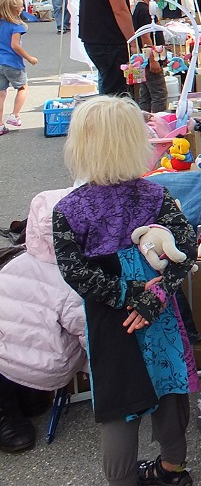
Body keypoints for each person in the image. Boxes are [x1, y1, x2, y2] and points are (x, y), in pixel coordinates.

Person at [53, 96, 197, 486]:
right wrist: (155, 296)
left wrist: (124, 295)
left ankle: (123, 480)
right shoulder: (156, 195)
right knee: (170, 387)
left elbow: (74, 271)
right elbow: (186, 248)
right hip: (159, 310)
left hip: (112, 317)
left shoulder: (70, 209)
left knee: (120, 402)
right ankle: (173, 469)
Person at [0, 187, 85, 455]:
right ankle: (27, 400)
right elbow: (90, 337)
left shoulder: (12, 264)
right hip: (52, 368)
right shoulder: (75, 280)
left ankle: (12, 409)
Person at [0, 0, 38, 134]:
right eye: (21, 6)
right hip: (12, 63)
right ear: (14, 9)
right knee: (22, 87)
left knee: (1, 93)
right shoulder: (16, 27)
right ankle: (15, 115)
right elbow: (15, 46)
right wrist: (29, 58)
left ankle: (0, 125)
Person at [132, 0, 168, 114]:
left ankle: (146, 122)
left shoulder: (141, 8)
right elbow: (145, 37)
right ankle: (158, 123)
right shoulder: (145, 10)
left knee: (146, 94)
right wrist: (153, 60)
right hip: (150, 59)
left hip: (146, 59)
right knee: (159, 94)